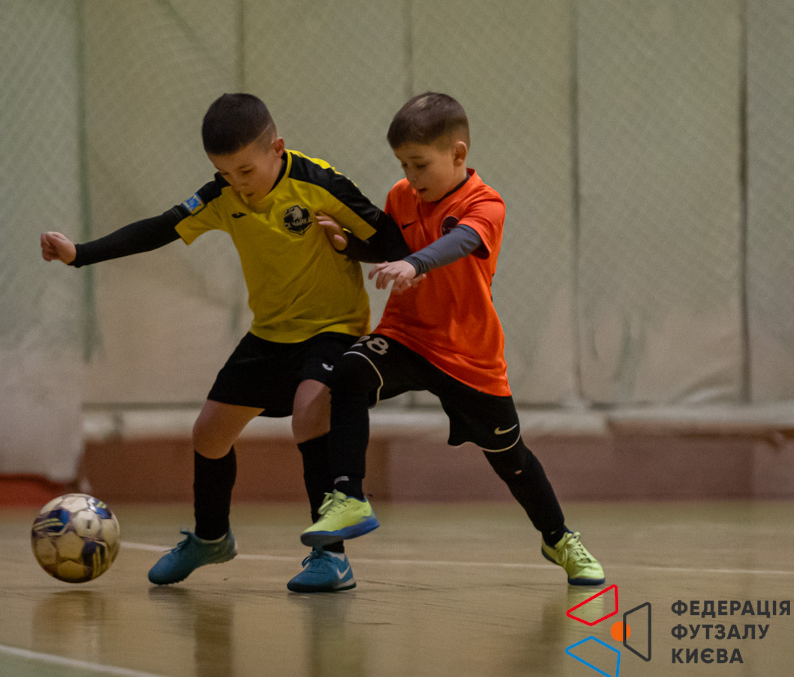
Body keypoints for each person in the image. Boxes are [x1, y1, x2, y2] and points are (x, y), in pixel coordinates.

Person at [40, 93, 409, 592]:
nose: (238, 184)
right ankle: (212, 538)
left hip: (334, 326)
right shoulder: (223, 196)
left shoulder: (319, 182)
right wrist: (80, 253)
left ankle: (332, 558)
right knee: (209, 434)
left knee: (309, 415)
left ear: (277, 148)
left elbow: (390, 241)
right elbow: (161, 228)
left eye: (246, 171)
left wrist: (348, 243)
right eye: (225, 173)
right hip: (270, 332)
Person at [301, 92, 605, 586]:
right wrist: (350, 246)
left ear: (458, 154)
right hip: (406, 335)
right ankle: (349, 495)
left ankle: (559, 538)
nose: (411, 175)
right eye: (403, 164)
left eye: (420, 164)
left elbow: (460, 241)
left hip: (468, 354)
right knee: (350, 371)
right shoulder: (402, 195)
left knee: (512, 461)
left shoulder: (486, 203)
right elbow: (392, 247)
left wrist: (415, 263)